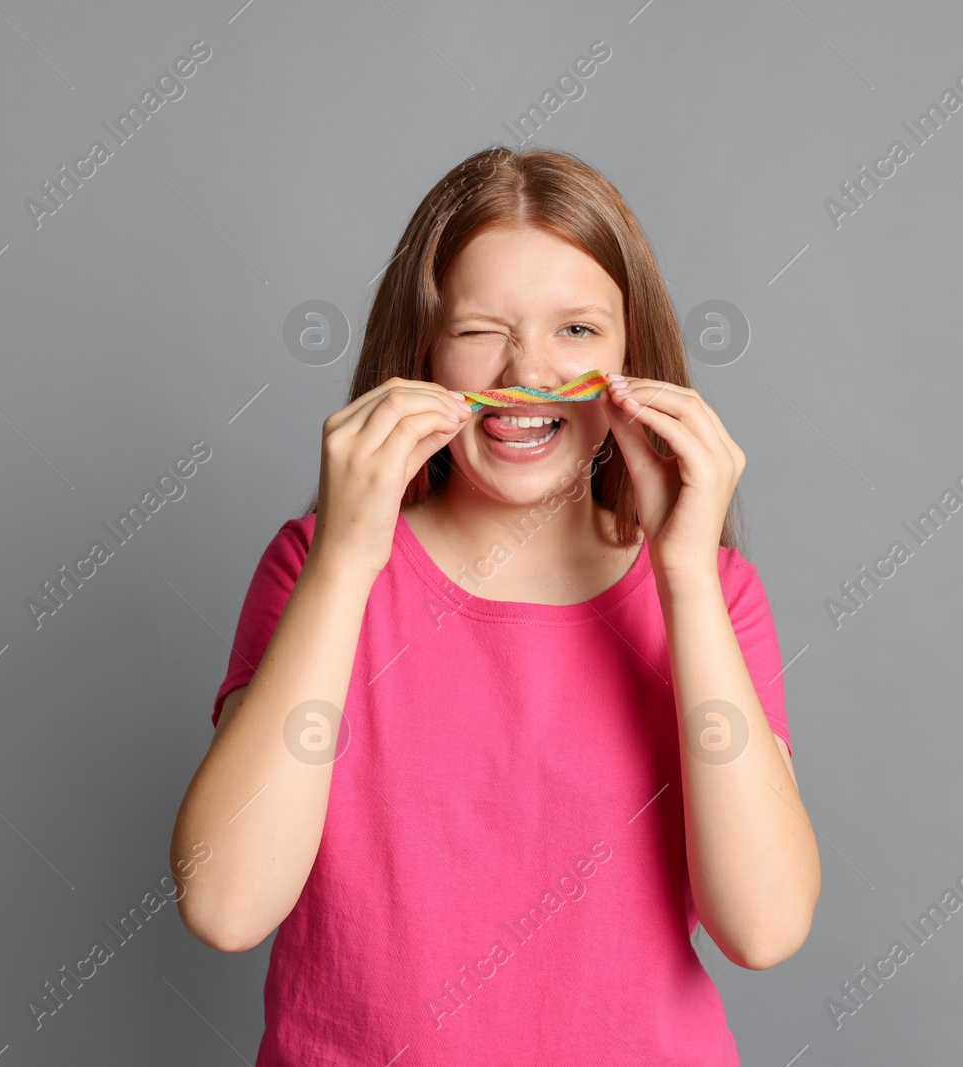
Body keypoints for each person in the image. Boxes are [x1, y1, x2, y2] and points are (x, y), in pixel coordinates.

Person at [169, 145, 820, 1065]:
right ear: (424, 353)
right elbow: (224, 904)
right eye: (481, 330)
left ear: (632, 359)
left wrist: (684, 580)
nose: (530, 370)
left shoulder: (712, 596)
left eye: (577, 331)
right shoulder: (314, 570)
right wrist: (347, 561)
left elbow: (764, 926)